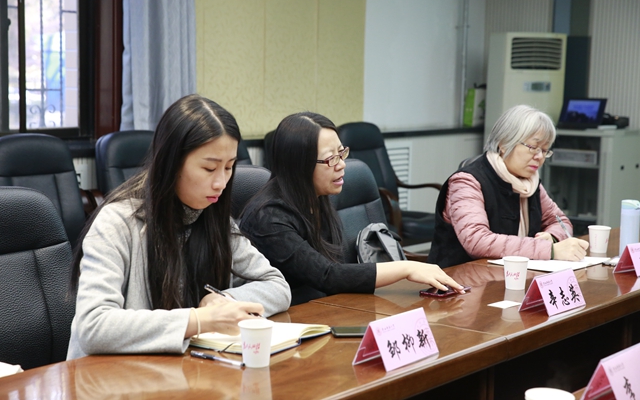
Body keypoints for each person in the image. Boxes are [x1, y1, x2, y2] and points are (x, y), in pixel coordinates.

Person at [67, 94, 291, 359]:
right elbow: (94, 326)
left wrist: (224, 301)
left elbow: (277, 285)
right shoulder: (116, 222)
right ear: (171, 163)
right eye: (209, 168)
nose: (221, 182)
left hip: (183, 370)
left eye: (229, 167)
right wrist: (199, 320)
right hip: (110, 375)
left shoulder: (212, 217)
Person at [239, 112, 463, 305]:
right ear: (299, 165)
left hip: (331, 306)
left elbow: (338, 266)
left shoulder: (317, 196)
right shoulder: (268, 216)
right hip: (289, 319)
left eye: (342, 153)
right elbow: (327, 275)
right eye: (331, 159)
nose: (342, 164)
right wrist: (406, 268)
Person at [428, 104, 589, 268]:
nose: (539, 157)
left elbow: (560, 221)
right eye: (533, 148)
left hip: (511, 275)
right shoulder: (466, 182)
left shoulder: (530, 183)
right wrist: (549, 250)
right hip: (460, 277)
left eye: (545, 150)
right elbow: (477, 241)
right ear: (504, 143)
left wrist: (552, 237)